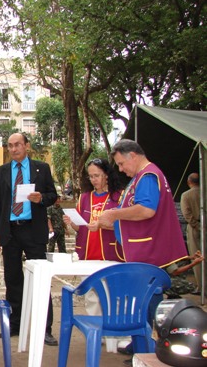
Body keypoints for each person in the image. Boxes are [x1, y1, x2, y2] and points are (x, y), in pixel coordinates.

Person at [97, 139, 188, 360]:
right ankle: (141, 341)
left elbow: (146, 210)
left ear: (133, 156)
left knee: (149, 299)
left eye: (120, 163)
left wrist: (115, 214)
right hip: (143, 247)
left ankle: (150, 347)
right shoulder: (142, 176)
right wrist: (116, 221)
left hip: (149, 249)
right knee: (141, 298)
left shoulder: (148, 176)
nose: (120, 169)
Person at [0, 132, 58, 345]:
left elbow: (53, 195)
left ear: (27, 146)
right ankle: (15, 324)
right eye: (10, 146)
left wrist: (41, 199)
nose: (13, 149)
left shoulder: (41, 169)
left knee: (40, 278)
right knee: (12, 279)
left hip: (33, 230)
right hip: (10, 231)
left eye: (17, 144)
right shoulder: (1, 172)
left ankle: (45, 328)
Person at [63, 158, 124, 262]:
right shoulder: (84, 197)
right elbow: (80, 228)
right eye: (91, 176)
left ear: (106, 175)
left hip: (110, 254)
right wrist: (71, 222)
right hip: (86, 254)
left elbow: (124, 226)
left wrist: (100, 225)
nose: (93, 180)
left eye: (97, 176)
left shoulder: (119, 196)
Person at [180, 172, 201, 294]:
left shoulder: (186, 195)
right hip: (201, 225)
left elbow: (186, 214)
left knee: (197, 257)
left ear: (189, 182)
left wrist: (196, 226)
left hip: (194, 228)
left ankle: (201, 286)